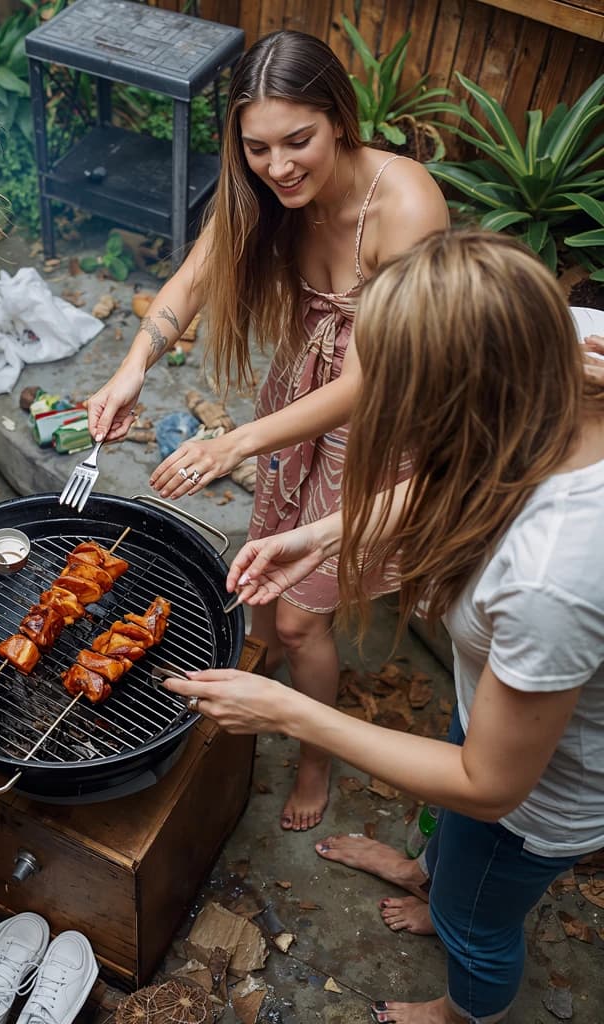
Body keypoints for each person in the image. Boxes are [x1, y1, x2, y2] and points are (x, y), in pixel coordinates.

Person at [164, 230, 604, 1024]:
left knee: (479, 920)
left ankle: (461, 1008)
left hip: (543, 795)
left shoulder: (554, 572)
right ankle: (425, 875)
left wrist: (290, 712)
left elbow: (490, 784)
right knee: (456, 851)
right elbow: (471, 470)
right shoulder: (551, 341)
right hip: (501, 700)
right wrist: (326, 533)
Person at [86, 30, 448, 831]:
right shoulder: (260, 189)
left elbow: (372, 380)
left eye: (298, 141)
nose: (278, 166)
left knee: (298, 614)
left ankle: (315, 759)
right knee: (260, 577)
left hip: (379, 425)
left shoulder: (405, 203)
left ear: (339, 119)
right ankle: (260, 671)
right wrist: (133, 365)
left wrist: (235, 443)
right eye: (258, 148)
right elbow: (193, 278)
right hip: (295, 401)